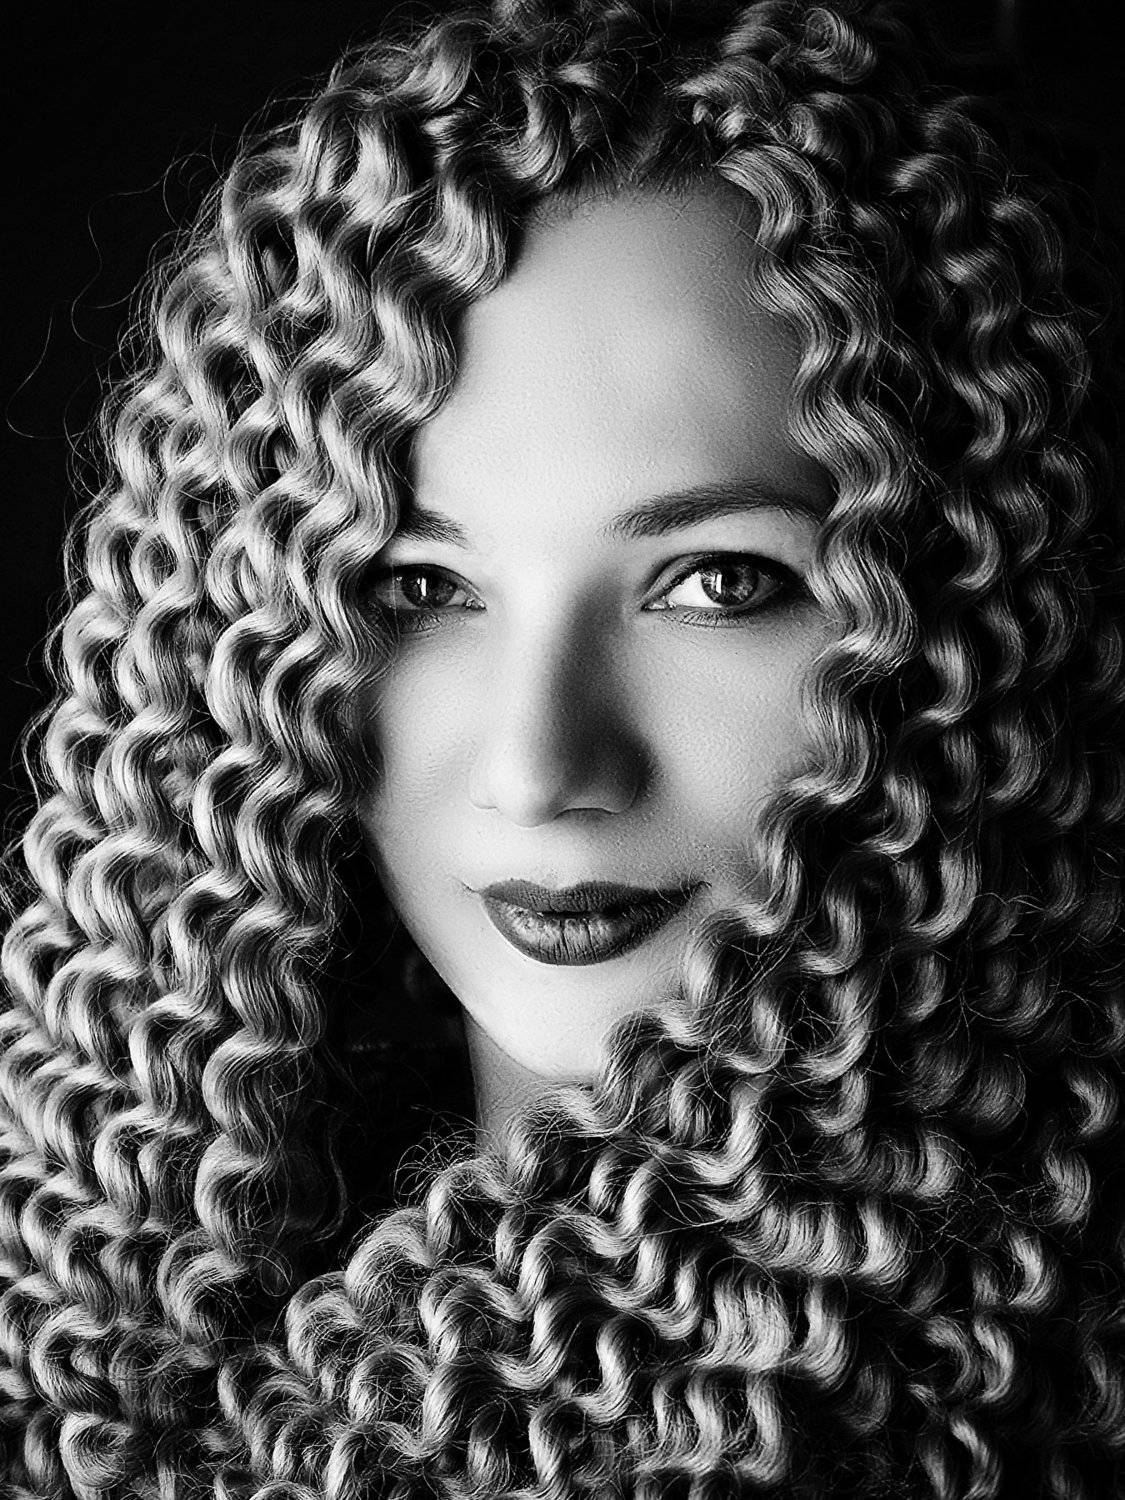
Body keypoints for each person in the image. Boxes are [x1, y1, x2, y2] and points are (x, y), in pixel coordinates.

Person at [1, 0, 1122, 1494]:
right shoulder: (93, 1348)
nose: (540, 769)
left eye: (718, 583)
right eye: (420, 588)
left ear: (968, 626)